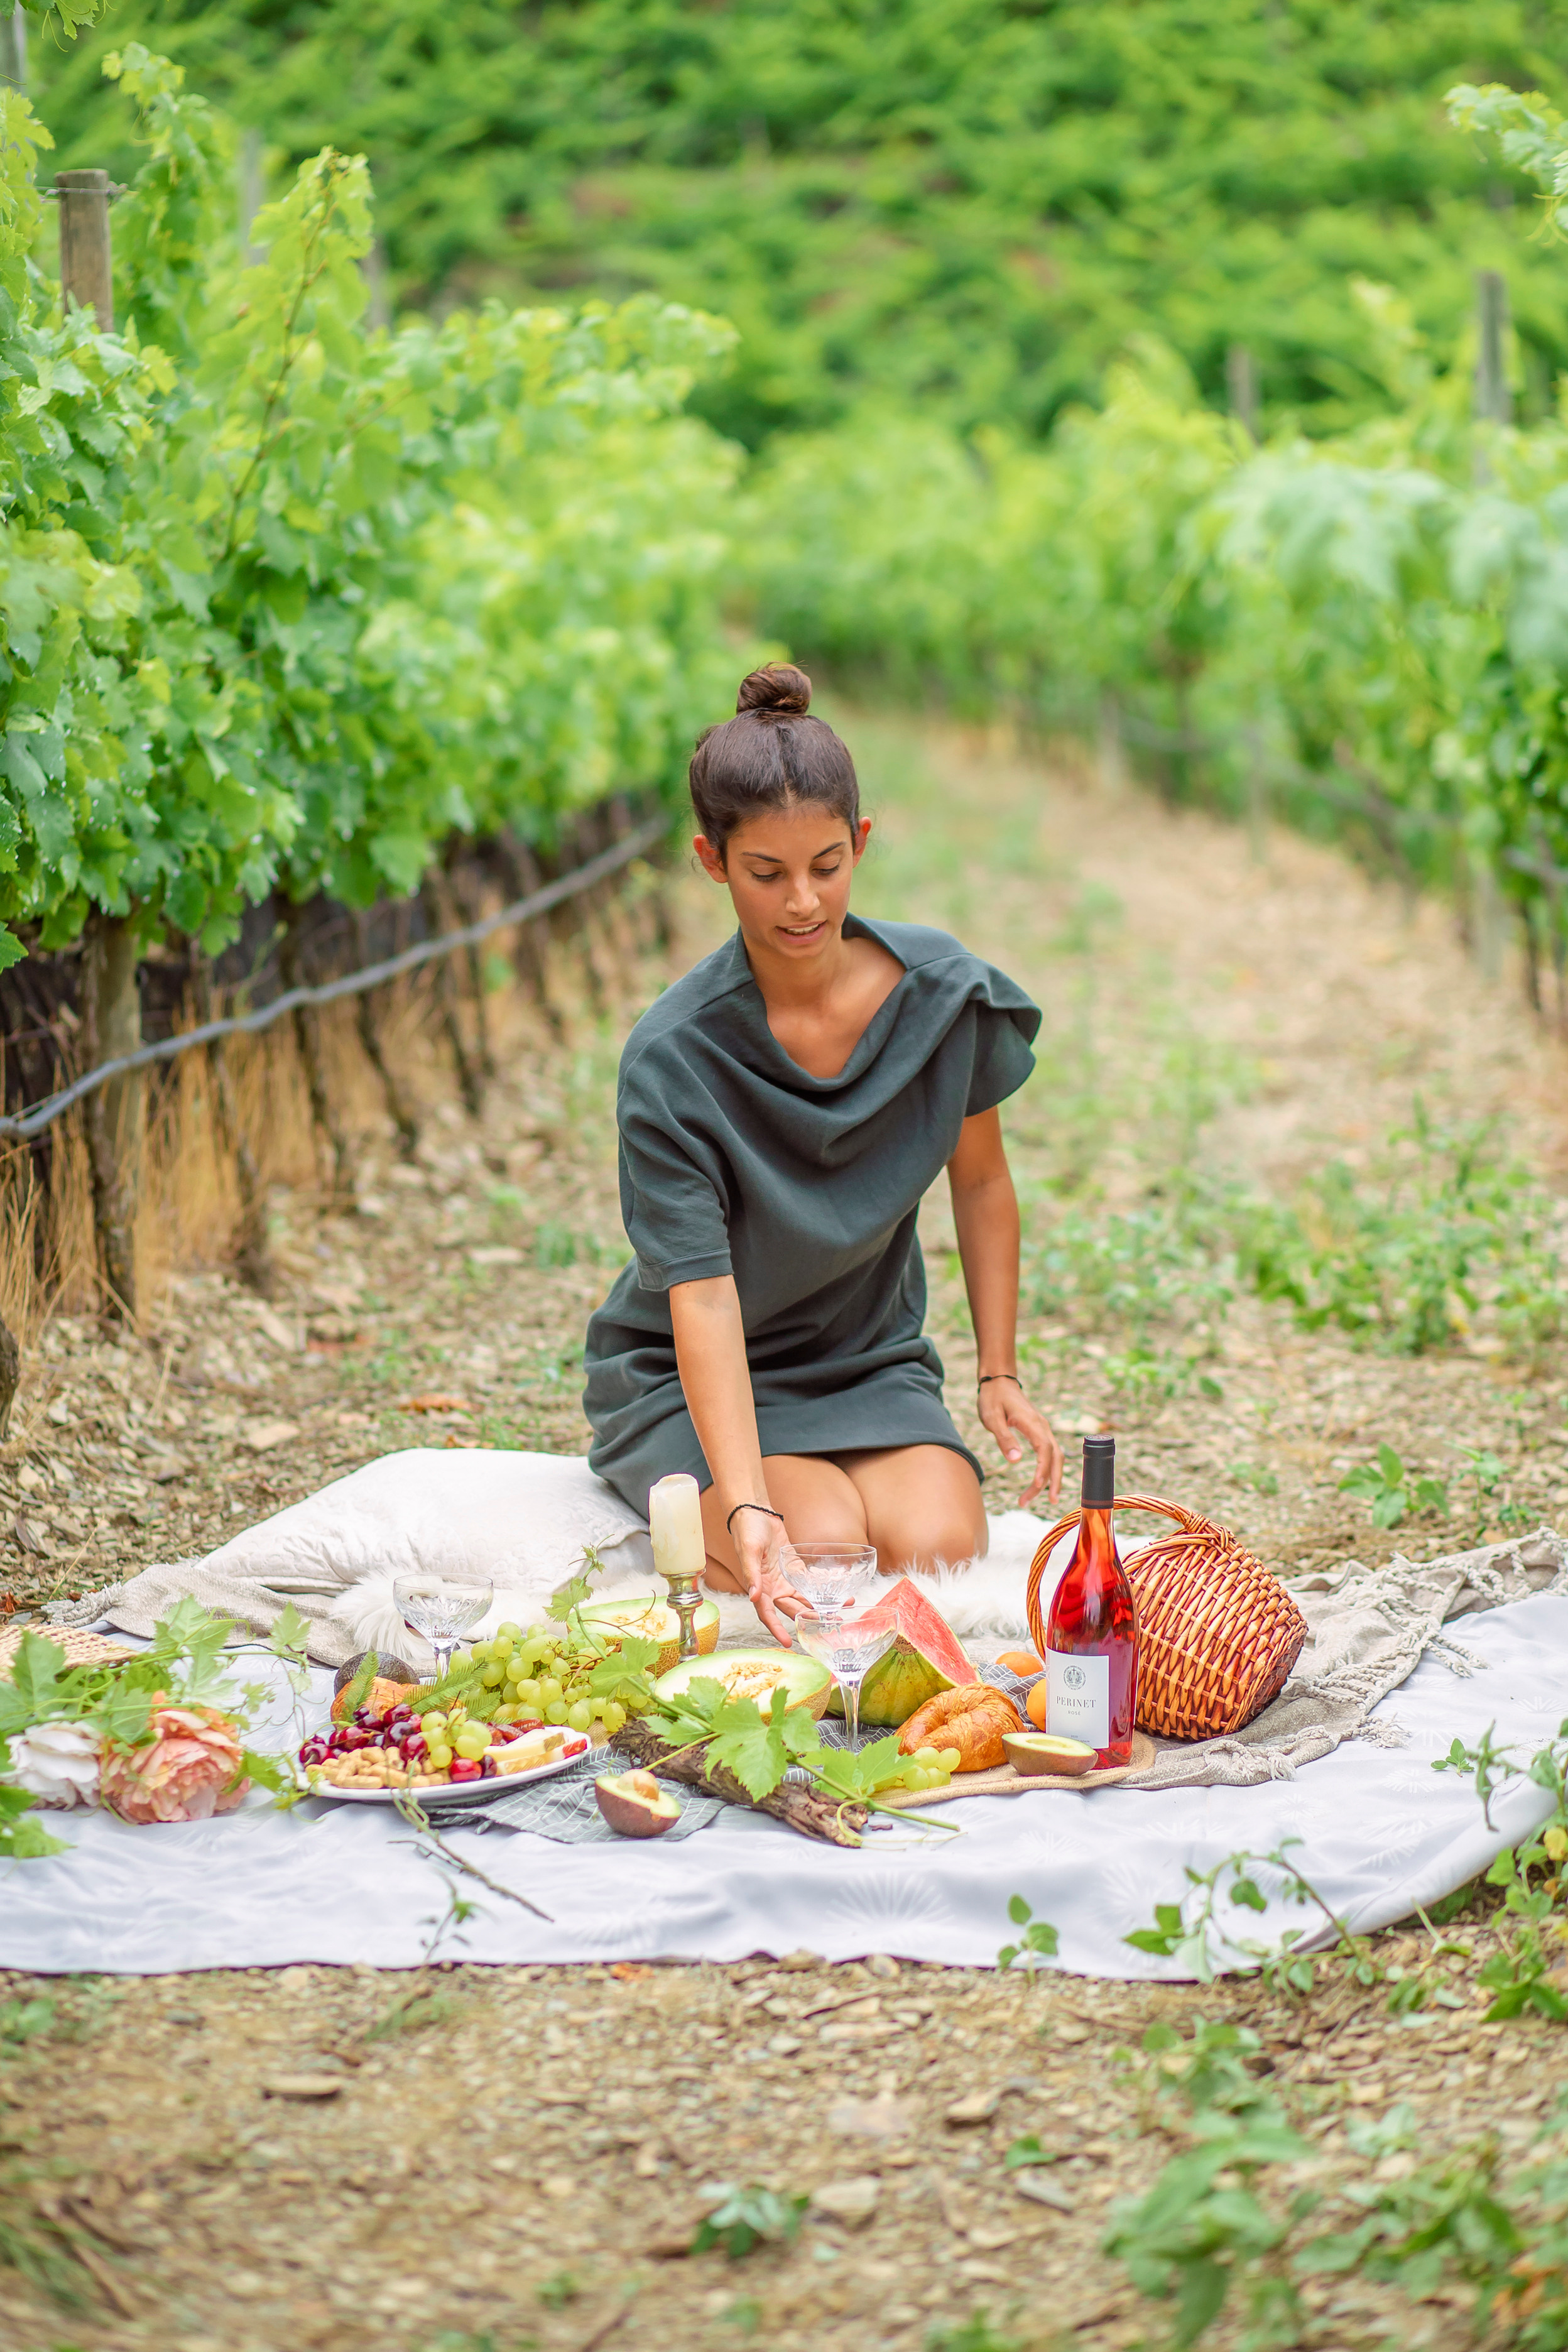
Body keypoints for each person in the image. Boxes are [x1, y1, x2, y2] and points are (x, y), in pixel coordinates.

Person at [583, 663, 1062, 1641]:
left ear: (862, 842)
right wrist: (745, 1505)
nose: (803, 901)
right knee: (827, 1548)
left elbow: (982, 1182)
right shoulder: (674, 1057)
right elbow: (702, 1298)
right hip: (693, 1372)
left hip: (865, 1358)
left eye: (828, 866)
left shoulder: (941, 996)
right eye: (767, 874)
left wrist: (998, 1373)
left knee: (940, 1543)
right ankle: (718, 1499)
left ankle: (783, 1505)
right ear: (712, 861)